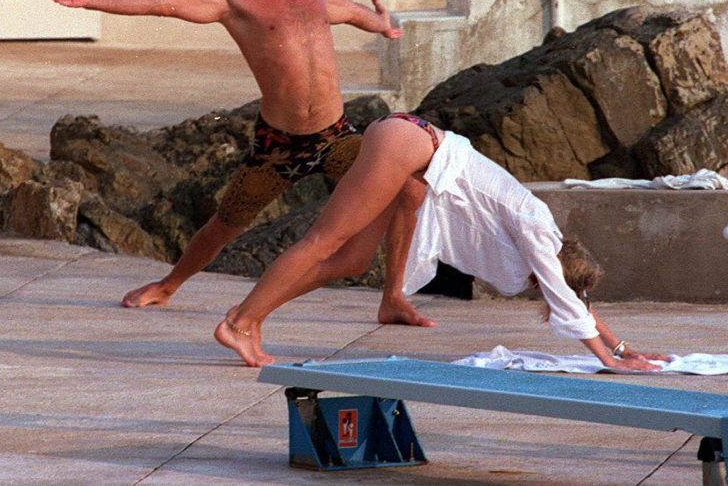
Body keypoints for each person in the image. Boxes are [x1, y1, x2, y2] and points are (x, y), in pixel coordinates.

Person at [38, 0, 434, 327]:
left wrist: (381, 23)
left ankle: (392, 296)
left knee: (409, 188)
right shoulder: (236, 2)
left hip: (335, 136)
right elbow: (160, 2)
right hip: (279, 145)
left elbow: (355, 13)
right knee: (227, 222)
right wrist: (91, 0)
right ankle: (168, 285)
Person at [215, 113, 669, 369]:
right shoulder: (538, 230)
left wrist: (624, 347)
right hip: (410, 143)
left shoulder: (548, 246)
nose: (539, 292)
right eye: (543, 287)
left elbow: (575, 299)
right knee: (322, 241)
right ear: (551, 271)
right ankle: (237, 323)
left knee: (351, 261)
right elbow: (567, 299)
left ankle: (257, 317)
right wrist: (609, 361)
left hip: (416, 156)